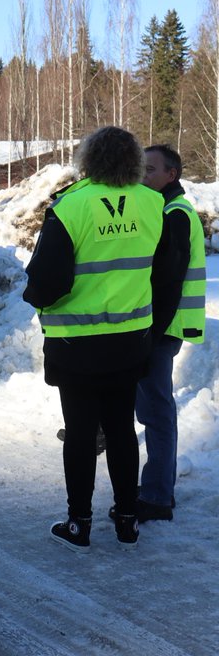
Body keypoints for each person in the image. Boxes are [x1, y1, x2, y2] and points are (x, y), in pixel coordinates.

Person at [22, 126, 175, 553]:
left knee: (81, 432)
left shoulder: (71, 206)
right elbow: (164, 275)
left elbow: (47, 282)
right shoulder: (153, 203)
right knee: (122, 429)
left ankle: (79, 523)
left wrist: (35, 297)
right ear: (133, 161)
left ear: (88, 160)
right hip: (131, 340)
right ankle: (127, 520)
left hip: (77, 344)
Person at [132, 144, 203, 522]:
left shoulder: (175, 213)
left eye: (150, 170)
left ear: (170, 174)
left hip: (163, 327)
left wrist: (152, 331)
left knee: (157, 413)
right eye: (141, 169)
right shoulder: (164, 209)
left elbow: (169, 281)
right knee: (150, 408)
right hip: (161, 325)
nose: (143, 176)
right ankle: (157, 488)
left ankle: (157, 497)